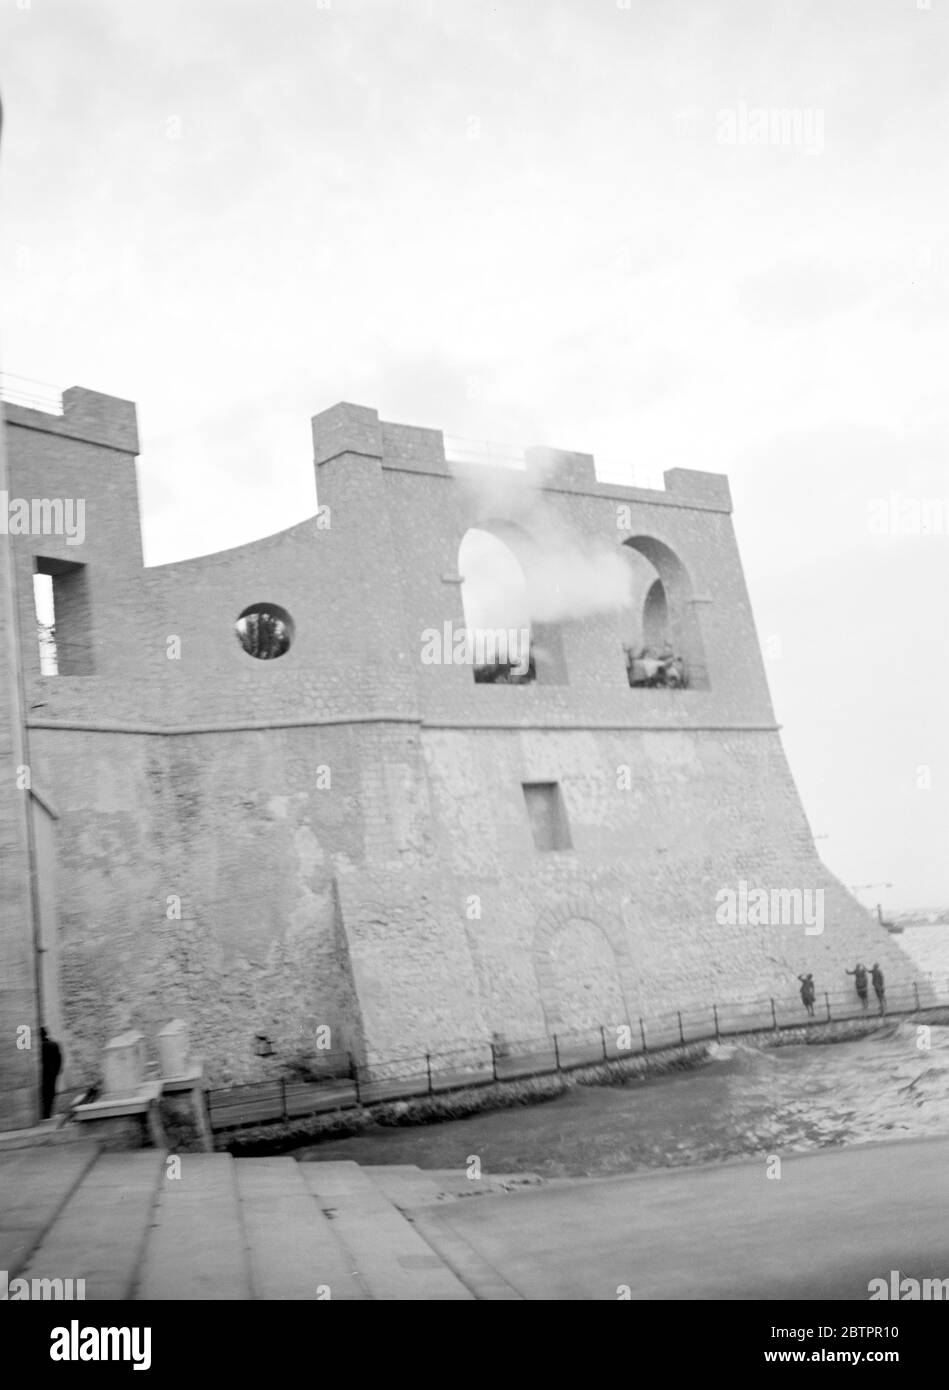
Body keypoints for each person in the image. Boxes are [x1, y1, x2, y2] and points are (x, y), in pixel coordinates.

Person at [40, 1027, 63, 1120]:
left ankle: (45, 1113)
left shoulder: (40, 1046)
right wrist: (56, 1071)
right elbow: (60, 1059)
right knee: (51, 1093)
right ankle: (48, 1113)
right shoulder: (54, 1044)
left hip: (43, 1074)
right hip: (52, 1073)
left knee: (44, 1094)